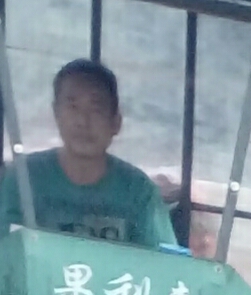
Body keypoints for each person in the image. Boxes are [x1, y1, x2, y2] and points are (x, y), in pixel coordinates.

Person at [5, 58, 173, 249]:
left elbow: (164, 266)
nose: (83, 121)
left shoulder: (140, 193)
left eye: (96, 109)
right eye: (73, 106)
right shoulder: (23, 177)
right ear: (56, 114)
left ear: (116, 122)